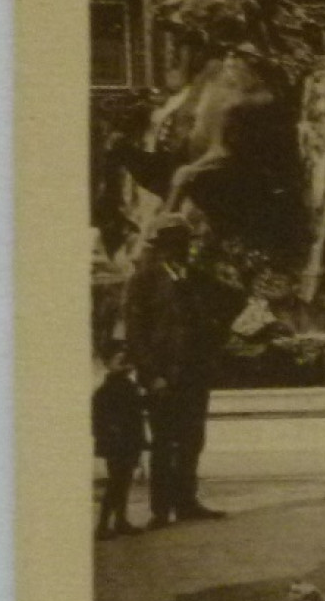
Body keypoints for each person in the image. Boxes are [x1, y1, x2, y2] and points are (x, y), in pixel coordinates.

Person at [123, 213, 239, 528]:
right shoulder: (144, 279)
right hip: (164, 375)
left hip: (194, 373)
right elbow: (135, 333)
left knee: (192, 439)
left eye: (187, 242)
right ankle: (160, 511)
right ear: (163, 245)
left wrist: (215, 344)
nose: (185, 247)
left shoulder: (194, 278)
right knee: (163, 443)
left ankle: (187, 502)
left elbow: (227, 303)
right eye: (179, 242)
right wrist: (151, 375)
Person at [92, 343, 147, 541]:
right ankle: (103, 525)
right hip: (117, 443)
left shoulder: (127, 386)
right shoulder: (105, 391)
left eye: (125, 360)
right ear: (107, 364)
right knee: (116, 483)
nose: (124, 364)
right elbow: (99, 422)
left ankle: (121, 521)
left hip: (129, 440)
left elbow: (138, 412)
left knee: (123, 482)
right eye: (119, 360)